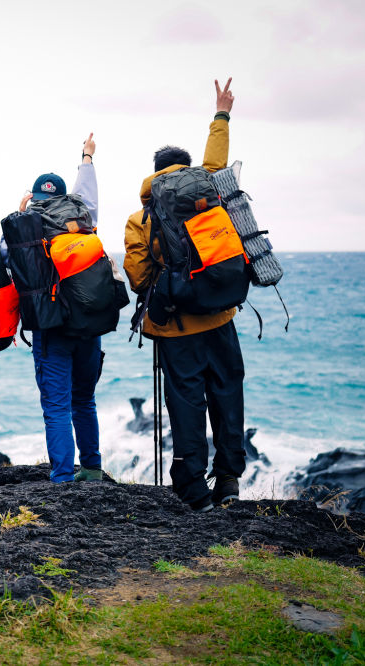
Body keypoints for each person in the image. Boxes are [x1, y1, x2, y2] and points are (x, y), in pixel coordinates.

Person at [123, 78, 243, 512]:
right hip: (221, 314)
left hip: (174, 327)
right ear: (188, 171)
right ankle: (228, 479)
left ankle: (193, 488)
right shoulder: (208, 192)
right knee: (227, 391)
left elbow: (138, 277)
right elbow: (217, 160)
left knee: (187, 402)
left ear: (155, 173)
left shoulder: (142, 216)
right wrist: (221, 113)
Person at [18, 134, 108, 483]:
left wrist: (20, 213)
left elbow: (4, 259)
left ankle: (61, 477)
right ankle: (92, 468)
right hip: (89, 323)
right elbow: (88, 193)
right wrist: (86, 157)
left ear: (36, 199)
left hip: (52, 330)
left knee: (56, 404)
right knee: (84, 400)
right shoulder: (83, 218)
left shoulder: (29, 228)